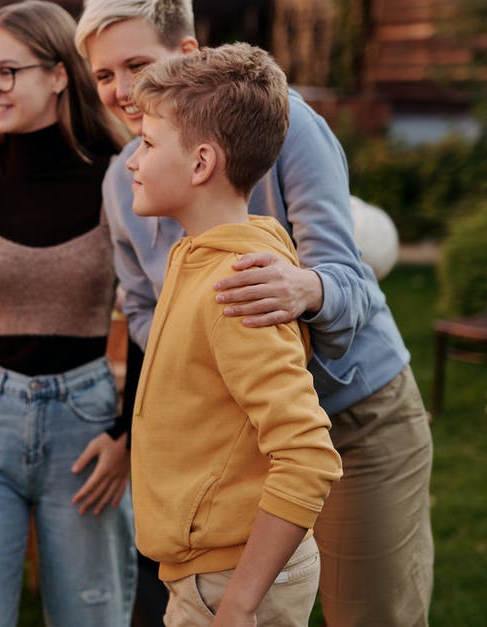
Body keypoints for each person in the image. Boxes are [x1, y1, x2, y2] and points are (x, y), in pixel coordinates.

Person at [75, 1, 434, 625]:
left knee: (371, 613)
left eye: (136, 64)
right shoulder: (125, 180)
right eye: (104, 76)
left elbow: (350, 278)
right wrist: (200, 370)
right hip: (241, 445)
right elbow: (144, 311)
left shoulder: (284, 126)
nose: (123, 91)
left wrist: (304, 290)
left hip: (348, 413)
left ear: (186, 55)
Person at [0, 3, 134, 625]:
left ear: (61, 73)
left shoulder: (119, 181)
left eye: (5, 72)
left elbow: (148, 314)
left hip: (87, 431)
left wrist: (126, 435)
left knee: (91, 615)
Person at [124, 42, 343, 626]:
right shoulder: (200, 253)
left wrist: (239, 604)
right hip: (207, 573)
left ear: (200, 164)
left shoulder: (234, 285)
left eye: (147, 144)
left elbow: (307, 456)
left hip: (230, 584)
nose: (131, 161)